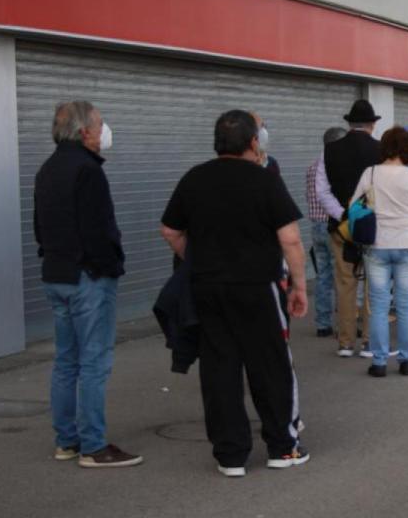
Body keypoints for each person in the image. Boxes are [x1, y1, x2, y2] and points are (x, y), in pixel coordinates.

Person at [160, 109, 309, 477]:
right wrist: (299, 286)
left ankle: (230, 455)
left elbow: (170, 231)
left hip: (208, 288)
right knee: (271, 365)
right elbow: (289, 239)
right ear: (253, 142)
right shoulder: (264, 180)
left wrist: (197, 259)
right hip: (259, 287)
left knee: (219, 368)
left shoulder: (195, 179)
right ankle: (282, 447)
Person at [34, 101, 142, 468]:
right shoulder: (88, 170)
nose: (103, 131)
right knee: (94, 362)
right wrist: (111, 266)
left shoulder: (47, 169)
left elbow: (39, 225)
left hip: (56, 274)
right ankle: (94, 447)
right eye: (99, 125)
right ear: (84, 132)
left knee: (67, 361)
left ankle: (67, 441)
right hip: (88, 279)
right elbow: (100, 229)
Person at [352, 127, 408, 377]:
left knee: (378, 305)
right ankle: (407, 360)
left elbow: (353, 206)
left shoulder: (371, 173)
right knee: (406, 304)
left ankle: (378, 362)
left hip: (377, 244)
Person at [318, 100, 382, 358]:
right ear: (373, 124)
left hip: (340, 227)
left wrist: (342, 215)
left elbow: (321, 191)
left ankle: (345, 343)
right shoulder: (381, 150)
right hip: (373, 226)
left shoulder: (329, 151)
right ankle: (368, 342)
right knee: (374, 284)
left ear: (349, 123)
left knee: (344, 283)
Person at [306, 127, 347, 338]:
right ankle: (344, 323)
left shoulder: (312, 167)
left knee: (323, 276)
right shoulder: (335, 166)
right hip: (333, 226)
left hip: (316, 226)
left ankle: (323, 323)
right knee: (341, 276)